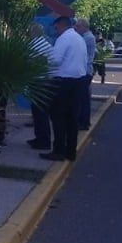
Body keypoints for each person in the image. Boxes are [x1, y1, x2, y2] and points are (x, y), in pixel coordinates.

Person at [43, 15, 89, 162]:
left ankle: (58, 151)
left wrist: (45, 59)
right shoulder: (79, 39)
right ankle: (70, 152)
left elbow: (55, 60)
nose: (55, 30)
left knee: (58, 118)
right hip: (79, 82)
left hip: (63, 83)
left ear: (61, 26)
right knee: (72, 119)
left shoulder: (63, 39)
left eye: (56, 28)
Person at [27, 22, 55, 151]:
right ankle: (40, 138)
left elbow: (37, 62)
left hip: (39, 81)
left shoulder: (36, 45)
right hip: (45, 81)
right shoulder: (45, 43)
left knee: (40, 113)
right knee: (39, 112)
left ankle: (43, 141)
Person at [74, 17, 96, 130]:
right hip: (86, 70)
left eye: (78, 26)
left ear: (84, 27)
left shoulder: (87, 38)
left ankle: (83, 122)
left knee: (82, 99)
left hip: (85, 70)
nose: (76, 28)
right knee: (84, 98)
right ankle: (84, 121)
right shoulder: (86, 37)